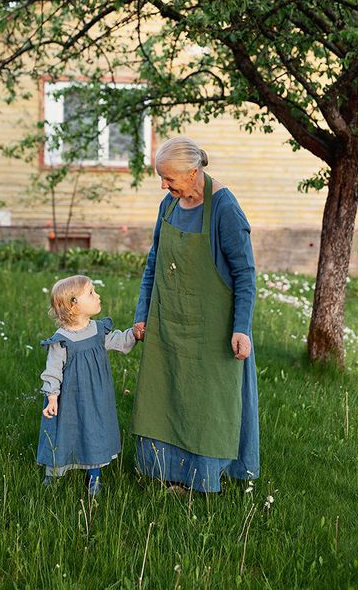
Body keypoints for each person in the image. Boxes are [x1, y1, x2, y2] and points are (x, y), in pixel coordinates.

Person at [132, 136, 259, 492]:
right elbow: (154, 262)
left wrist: (241, 328)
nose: (163, 185)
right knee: (166, 393)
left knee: (207, 403)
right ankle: (163, 471)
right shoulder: (169, 205)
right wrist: (143, 313)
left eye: (169, 178)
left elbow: (245, 275)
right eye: (161, 178)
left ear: (193, 172)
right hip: (169, 319)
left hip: (214, 328)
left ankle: (202, 479)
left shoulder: (225, 208)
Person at [37, 274, 141, 494]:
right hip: (69, 399)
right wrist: (52, 396)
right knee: (64, 432)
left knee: (94, 430)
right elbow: (53, 371)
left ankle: (94, 477)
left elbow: (118, 341)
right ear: (74, 305)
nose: (98, 295)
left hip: (96, 397)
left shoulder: (97, 330)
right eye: (91, 293)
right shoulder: (62, 340)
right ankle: (54, 474)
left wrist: (134, 334)